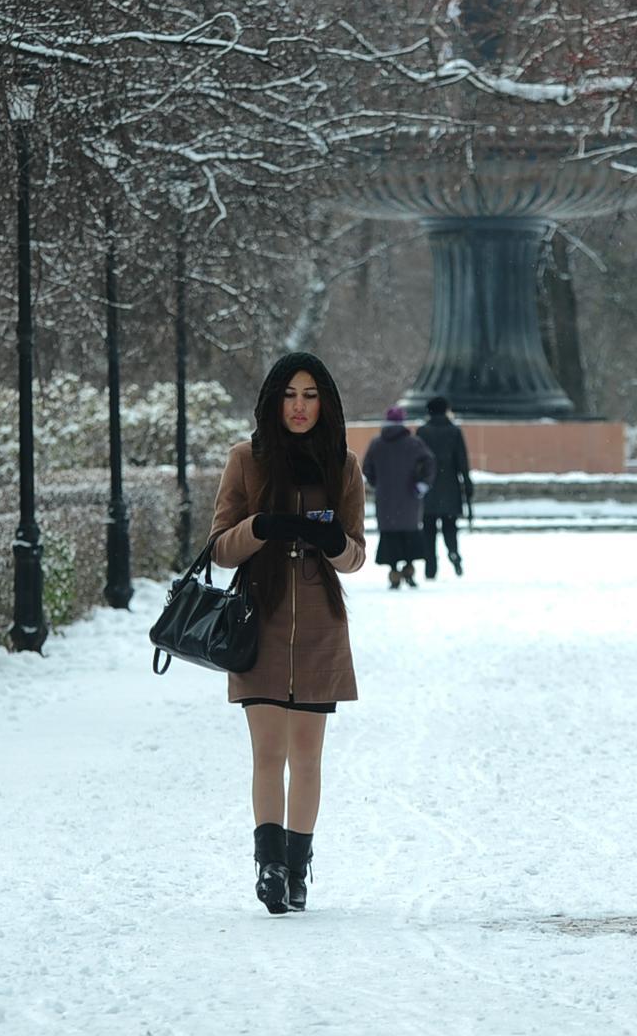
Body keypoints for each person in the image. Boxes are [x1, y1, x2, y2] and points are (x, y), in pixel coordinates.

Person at [211, 351, 367, 915]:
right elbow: (219, 547)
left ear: (324, 402)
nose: (299, 407)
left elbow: (356, 557)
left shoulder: (343, 465)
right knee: (266, 753)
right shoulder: (245, 460)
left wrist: (333, 544)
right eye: (289, 395)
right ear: (273, 400)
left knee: (307, 758)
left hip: (321, 626)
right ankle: (270, 867)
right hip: (261, 622)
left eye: (310, 396)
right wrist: (262, 527)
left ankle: (298, 869)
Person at [362, 404, 436, 587]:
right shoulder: (414, 443)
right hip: (409, 497)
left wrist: (377, 483)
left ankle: (394, 571)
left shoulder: (377, 443)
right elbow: (430, 462)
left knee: (390, 537)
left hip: (385, 498)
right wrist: (422, 483)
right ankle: (409, 569)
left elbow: (367, 468)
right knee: (409, 534)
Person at [416, 396, 472, 579]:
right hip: (450, 487)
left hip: (429, 487)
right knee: (450, 526)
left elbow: (417, 462)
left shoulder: (422, 432)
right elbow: (462, 461)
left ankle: (430, 567)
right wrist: (467, 483)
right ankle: (453, 552)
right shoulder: (454, 431)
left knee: (429, 530)